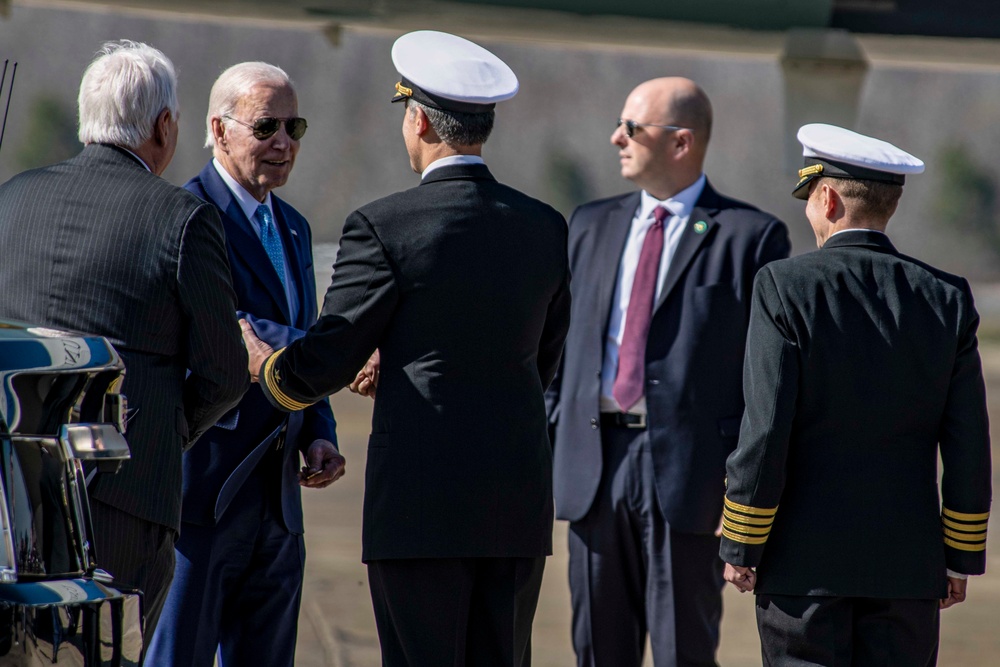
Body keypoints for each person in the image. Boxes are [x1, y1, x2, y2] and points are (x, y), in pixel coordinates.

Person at [241, 30, 571, 666]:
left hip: (420, 510)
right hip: (515, 506)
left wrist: (266, 365)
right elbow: (539, 359)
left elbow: (329, 357)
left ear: (418, 120)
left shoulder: (384, 225)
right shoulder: (545, 226)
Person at [0, 40, 248, 645]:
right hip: (121, 500)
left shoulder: (10, 198)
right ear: (164, 126)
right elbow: (225, 372)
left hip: (7, 495)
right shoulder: (182, 218)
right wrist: (162, 432)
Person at [720, 123, 992, 665]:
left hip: (804, 568)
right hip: (908, 571)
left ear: (828, 197)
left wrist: (743, 541)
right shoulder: (947, 297)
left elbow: (766, 428)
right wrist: (959, 555)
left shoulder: (783, 286)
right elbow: (968, 444)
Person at [546, 77, 790, 666]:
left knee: (684, 650)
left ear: (680, 143)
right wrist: (555, 428)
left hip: (689, 479)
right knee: (598, 650)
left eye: (631, 128)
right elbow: (557, 348)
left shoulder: (751, 237)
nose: (616, 138)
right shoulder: (588, 224)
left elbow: (766, 379)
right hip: (594, 467)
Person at [145, 62, 345, 667]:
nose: (282, 141)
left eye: (293, 125)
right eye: (265, 126)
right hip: (203, 501)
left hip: (281, 507)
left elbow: (303, 343)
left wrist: (320, 432)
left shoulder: (293, 227)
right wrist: (347, 353)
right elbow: (223, 333)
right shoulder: (183, 217)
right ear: (219, 129)